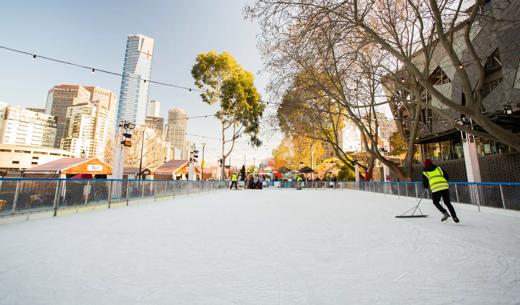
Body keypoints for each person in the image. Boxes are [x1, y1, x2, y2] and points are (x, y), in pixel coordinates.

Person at [422, 159, 459, 223]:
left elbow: (425, 184)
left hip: (436, 188)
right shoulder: (438, 168)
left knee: (435, 202)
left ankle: (445, 213)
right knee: (447, 203)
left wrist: (426, 186)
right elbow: (447, 176)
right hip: (445, 187)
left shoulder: (425, 172)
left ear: (425, 164)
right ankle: (454, 217)